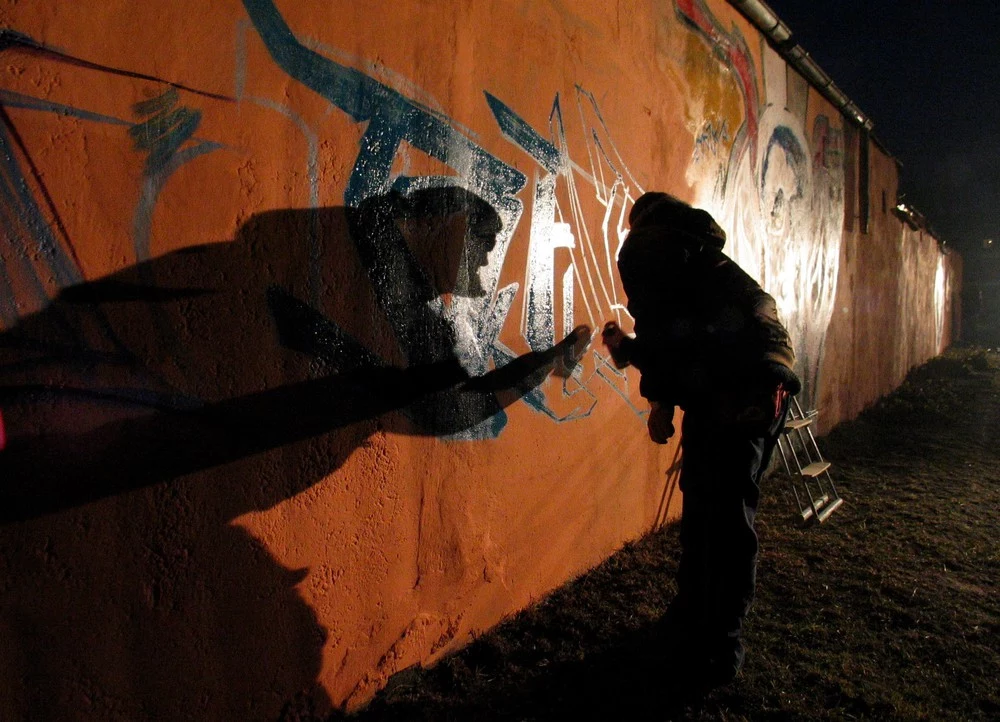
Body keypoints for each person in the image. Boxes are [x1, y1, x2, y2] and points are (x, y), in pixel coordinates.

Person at [602, 191, 801, 684]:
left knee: (720, 519)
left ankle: (717, 643)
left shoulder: (646, 250)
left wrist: (653, 392)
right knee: (717, 511)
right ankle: (702, 624)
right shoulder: (700, 256)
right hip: (741, 384)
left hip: (737, 387)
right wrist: (639, 363)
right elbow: (679, 337)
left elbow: (664, 336)